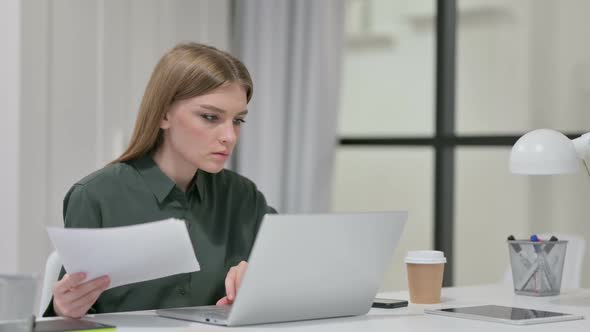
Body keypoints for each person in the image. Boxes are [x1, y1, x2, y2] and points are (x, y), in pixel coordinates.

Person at [43, 42, 276, 318]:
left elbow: (294, 265)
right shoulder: (95, 196)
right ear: (164, 114)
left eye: (238, 120)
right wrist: (63, 308)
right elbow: (71, 316)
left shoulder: (243, 196)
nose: (230, 136)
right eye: (210, 117)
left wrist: (264, 274)